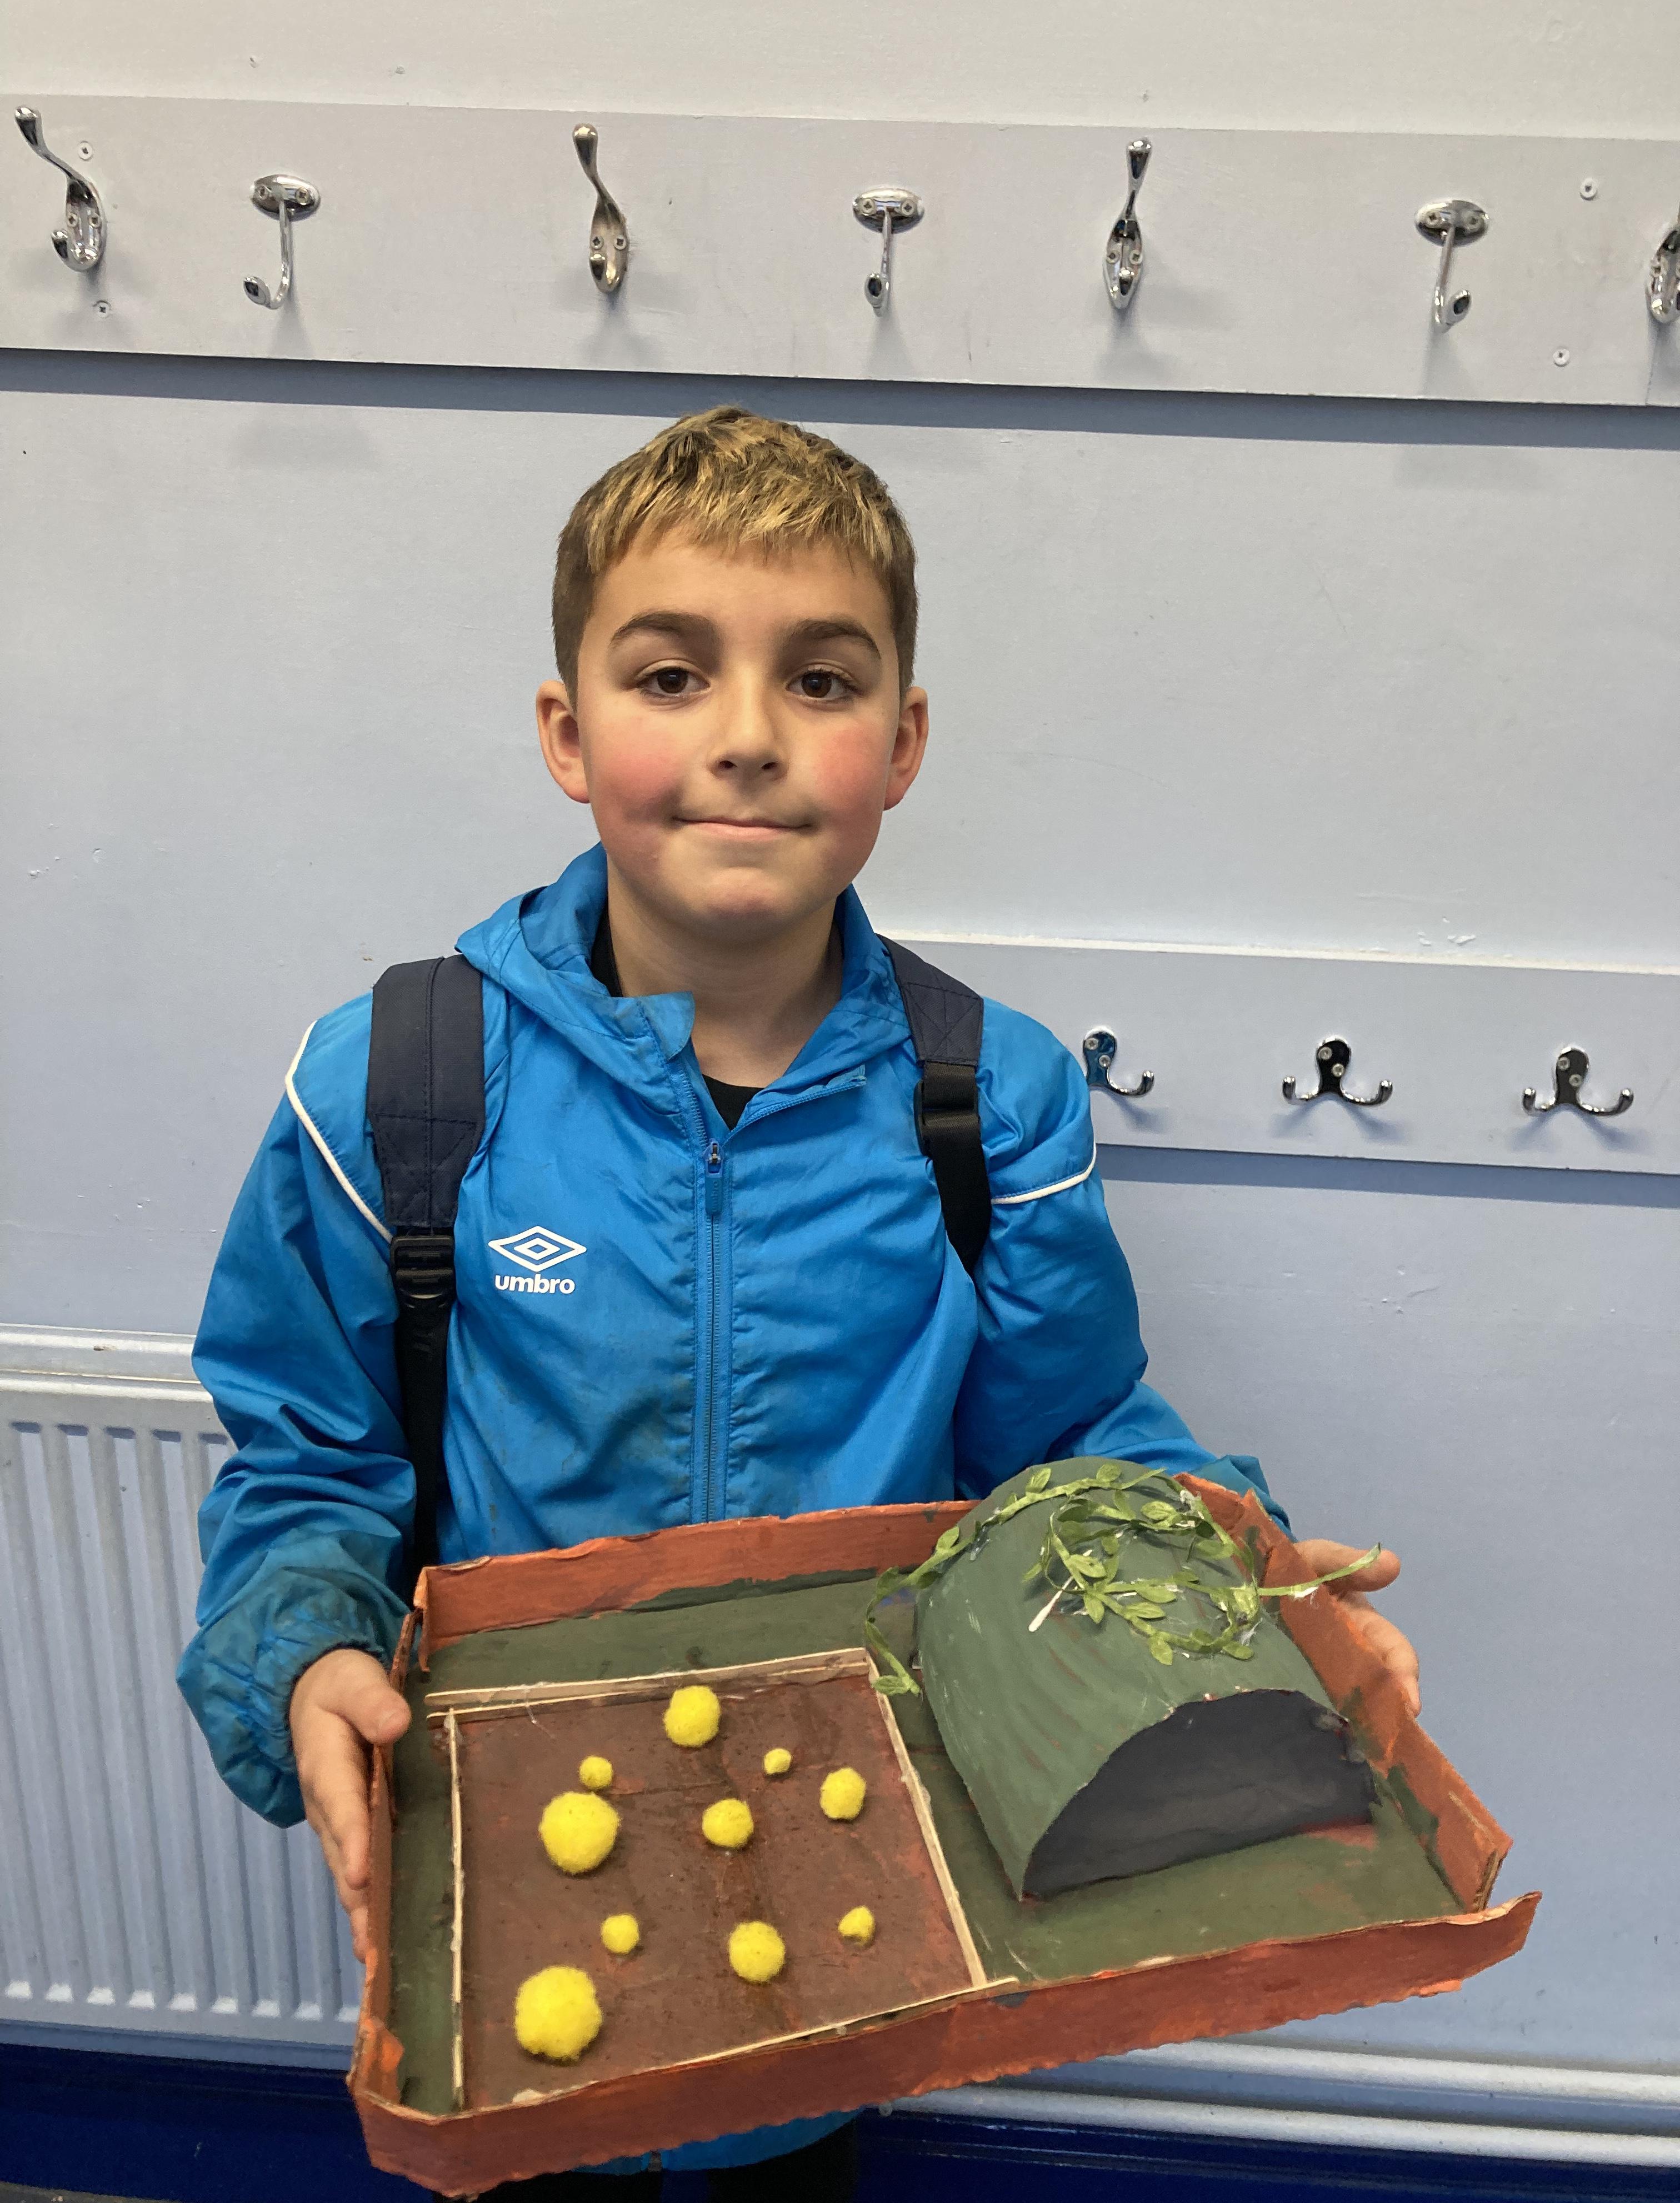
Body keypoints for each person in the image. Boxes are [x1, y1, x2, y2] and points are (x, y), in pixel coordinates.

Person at [178, 407, 1420, 2198]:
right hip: (513, 1864)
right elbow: (310, 1456)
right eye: (671, 674)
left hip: (845, 1873)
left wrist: (1240, 1591)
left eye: (821, 680)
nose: (748, 735)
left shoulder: (990, 1101)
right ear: (567, 732)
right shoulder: (395, 1084)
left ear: (900, 743)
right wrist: (305, 1644)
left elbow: (1070, 1449)